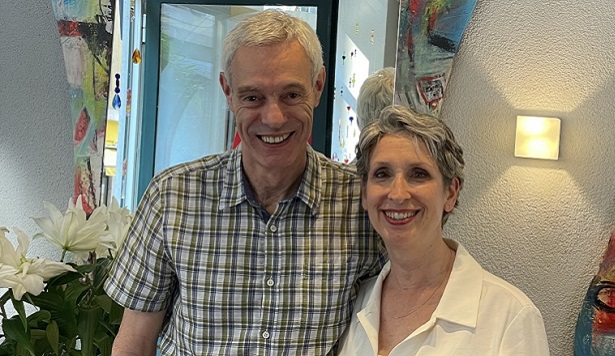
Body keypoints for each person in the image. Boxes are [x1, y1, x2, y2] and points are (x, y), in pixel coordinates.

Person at [105, 10, 386, 355]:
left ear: (317, 86)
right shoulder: (172, 197)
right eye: (253, 97)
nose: (273, 117)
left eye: (291, 95)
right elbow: (135, 340)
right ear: (228, 91)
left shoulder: (362, 204)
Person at [339, 105, 549, 355]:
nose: (397, 193)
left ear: (450, 192)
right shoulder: (354, 302)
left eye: (418, 174)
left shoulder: (510, 316)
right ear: (365, 193)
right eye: (382, 174)